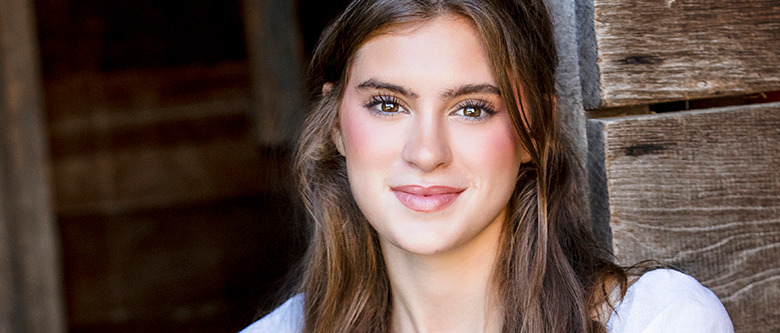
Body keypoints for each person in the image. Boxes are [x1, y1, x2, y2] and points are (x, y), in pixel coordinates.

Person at [242, 0, 734, 332]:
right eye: (388, 104)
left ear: (534, 130)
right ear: (335, 126)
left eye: (472, 108)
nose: (427, 152)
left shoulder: (657, 321)